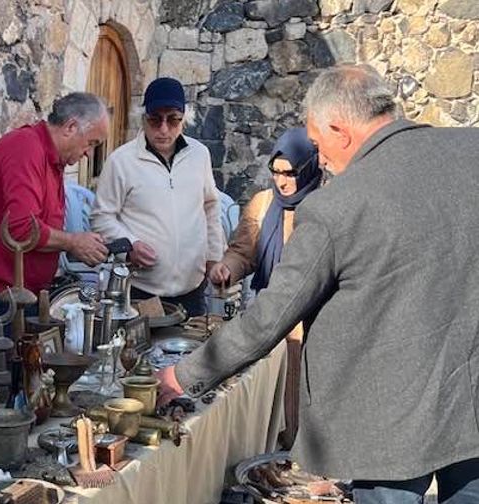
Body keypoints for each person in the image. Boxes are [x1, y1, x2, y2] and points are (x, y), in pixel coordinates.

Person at [159, 64, 479, 503]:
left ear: (339, 129)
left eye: (317, 142)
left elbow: (271, 315)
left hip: (390, 426)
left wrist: (183, 376)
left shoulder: (337, 208)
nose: (319, 156)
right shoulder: (470, 151)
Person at [0, 93, 110, 343]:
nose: (88, 154)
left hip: (23, 291)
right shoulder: (25, 148)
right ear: (71, 127)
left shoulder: (52, 159)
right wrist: (72, 242)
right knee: (2, 373)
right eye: (91, 143)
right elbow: (22, 229)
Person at [208, 127, 322, 448]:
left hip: (313, 322)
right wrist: (225, 269)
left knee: (306, 398)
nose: (282, 181)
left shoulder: (324, 206)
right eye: (276, 172)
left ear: (309, 166)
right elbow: (243, 251)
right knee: (268, 400)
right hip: (269, 319)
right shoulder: (262, 204)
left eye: (290, 173)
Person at [90, 77, 223, 316]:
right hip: (141, 291)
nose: (163, 129)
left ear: (184, 119)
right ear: (143, 118)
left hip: (193, 290)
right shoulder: (122, 161)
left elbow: (210, 207)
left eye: (173, 120)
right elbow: (102, 217)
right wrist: (130, 245)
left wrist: (214, 258)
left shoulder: (199, 155)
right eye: (155, 120)